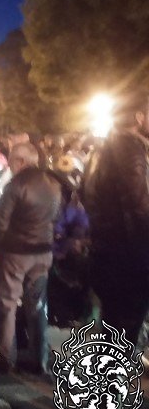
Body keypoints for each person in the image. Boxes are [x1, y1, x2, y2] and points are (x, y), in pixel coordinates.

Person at [0, 142, 61, 376]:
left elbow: (0, 221)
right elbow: (55, 217)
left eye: (11, 161)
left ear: (20, 161)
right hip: (43, 252)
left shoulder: (17, 184)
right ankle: (39, 358)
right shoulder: (52, 183)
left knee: (7, 304)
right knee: (37, 306)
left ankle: (6, 357)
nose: (9, 166)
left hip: (16, 253)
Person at [82, 107, 149, 350]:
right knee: (124, 333)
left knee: (113, 330)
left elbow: (85, 195)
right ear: (139, 116)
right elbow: (139, 206)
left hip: (106, 252)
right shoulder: (129, 150)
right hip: (129, 259)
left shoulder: (101, 149)